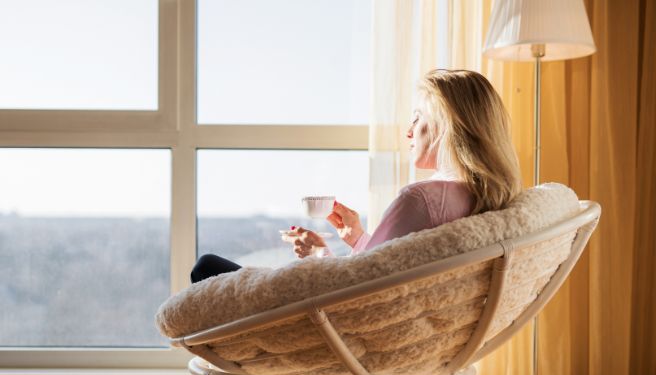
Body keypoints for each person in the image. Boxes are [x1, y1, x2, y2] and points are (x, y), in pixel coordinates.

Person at [190, 69, 521, 283]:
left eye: (417, 118)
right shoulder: (482, 199)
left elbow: (355, 289)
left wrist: (319, 254)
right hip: (386, 330)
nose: (408, 131)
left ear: (446, 126)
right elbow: (380, 271)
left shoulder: (422, 199)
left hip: (333, 330)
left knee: (206, 267)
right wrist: (357, 239)